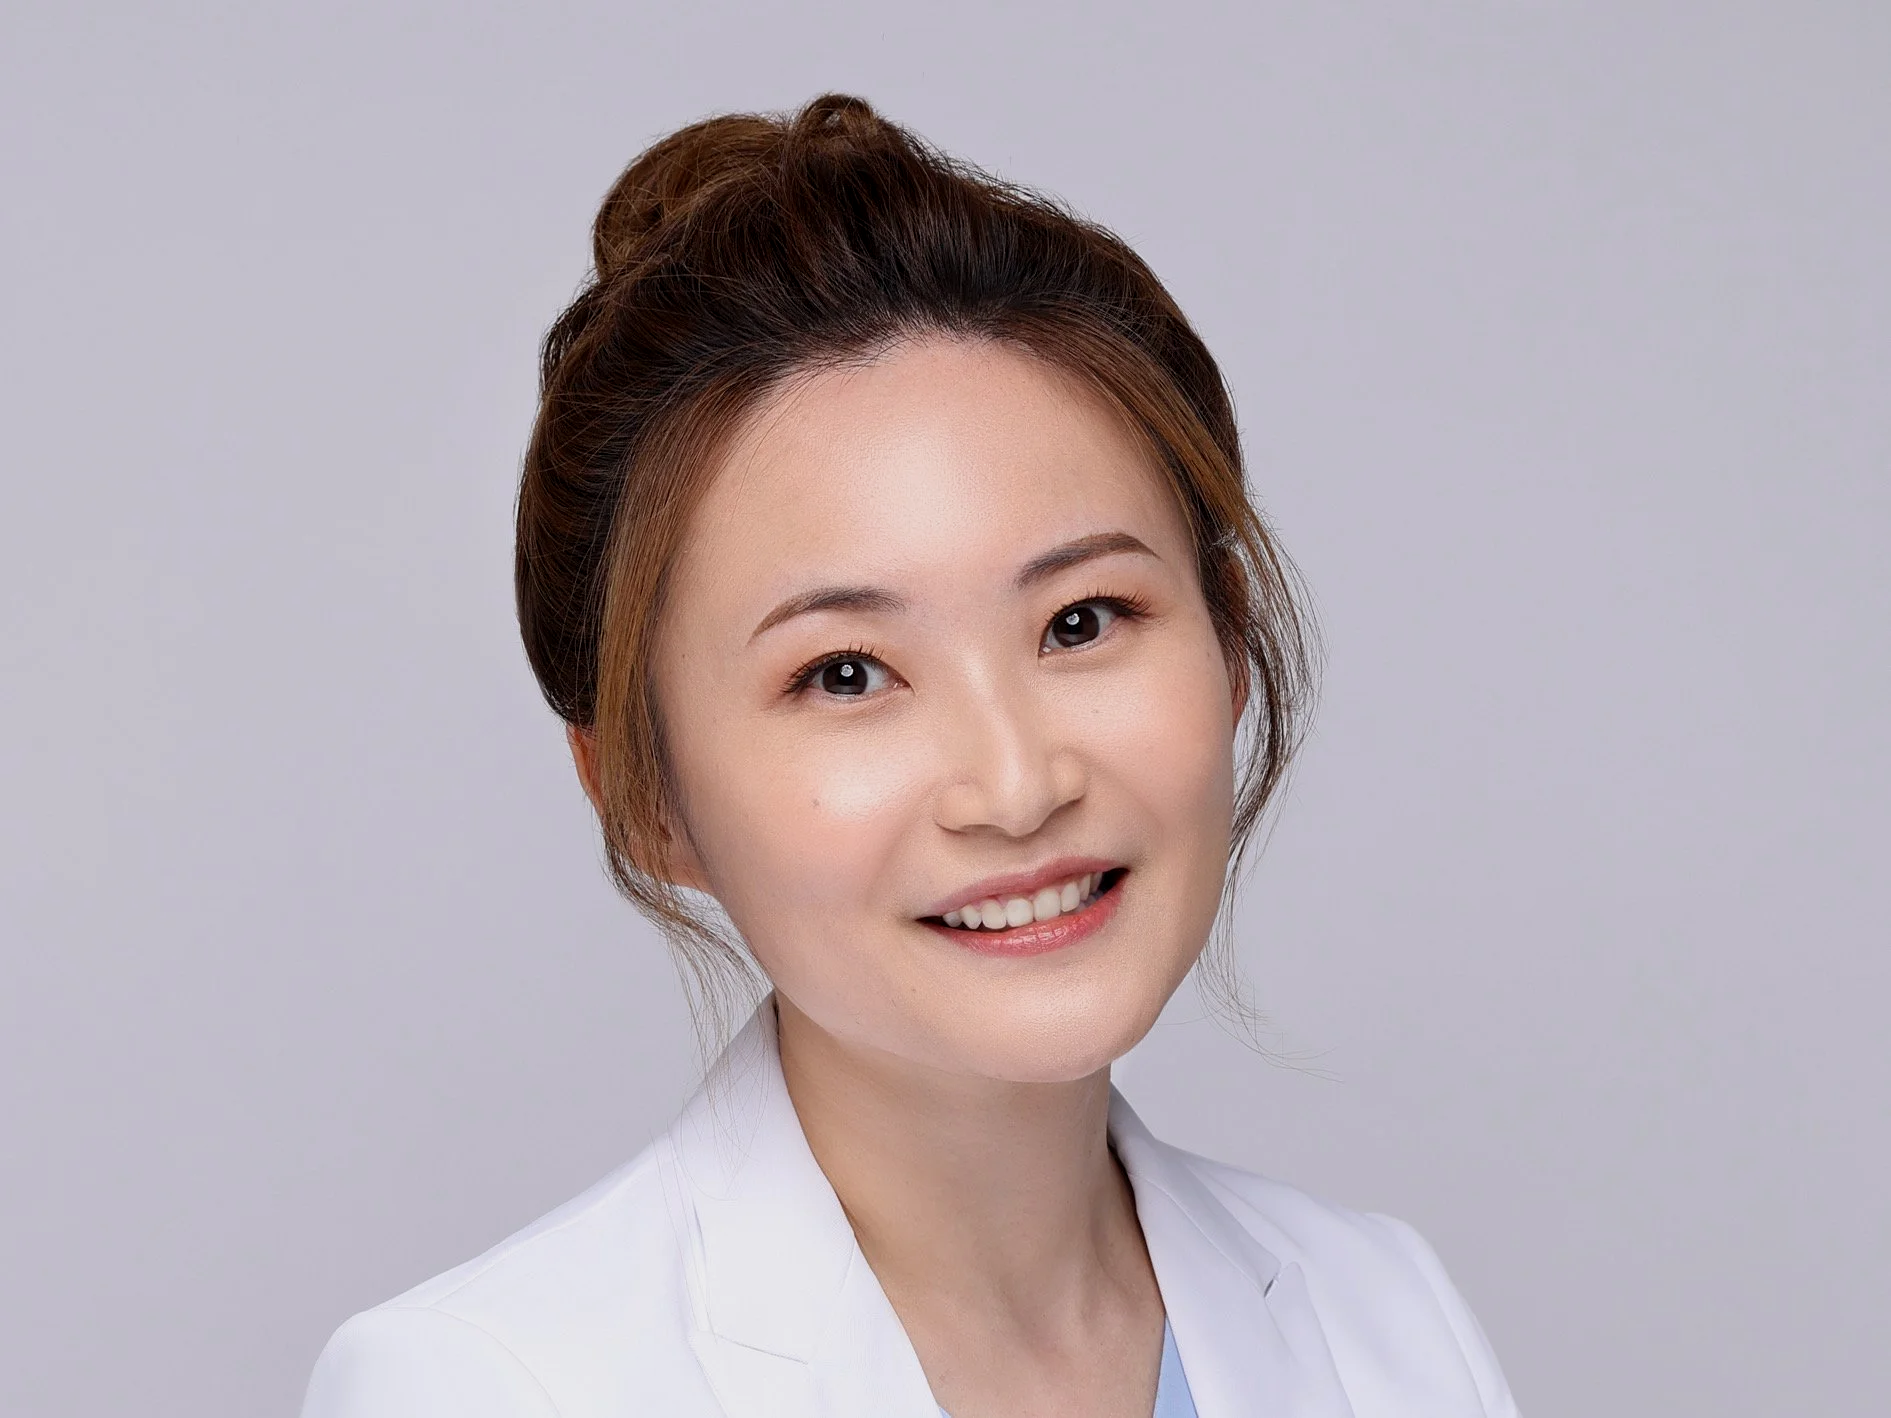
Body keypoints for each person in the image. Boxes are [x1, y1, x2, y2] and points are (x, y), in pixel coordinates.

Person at [301, 94, 1518, 1418]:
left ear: (1228, 647)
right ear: (649, 801)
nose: (1015, 783)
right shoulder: (488, 1388)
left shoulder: (1382, 1317)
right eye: (844, 673)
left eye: (1080, 620)